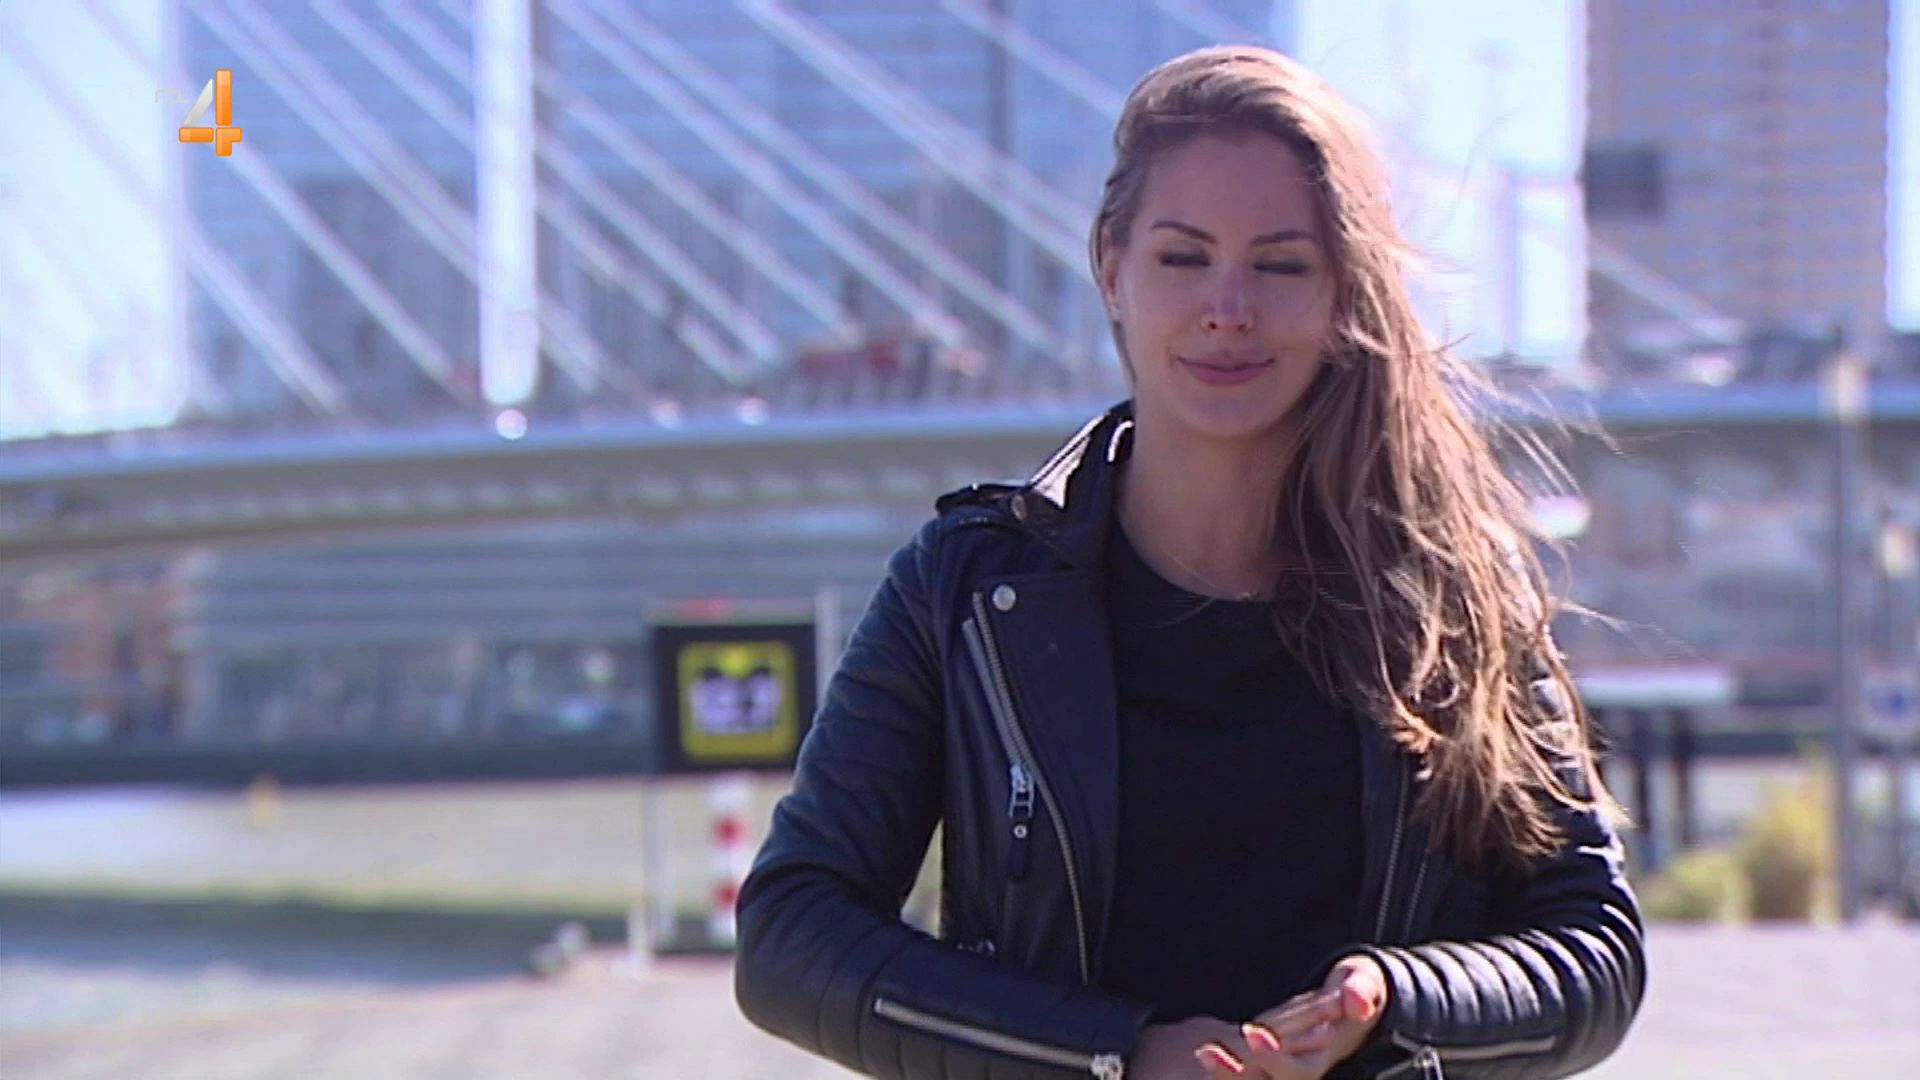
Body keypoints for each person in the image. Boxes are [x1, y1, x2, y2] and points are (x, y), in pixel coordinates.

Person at [735, 44, 1644, 1080]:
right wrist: (1111, 1056)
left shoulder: (1453, 596)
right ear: (1111, 269)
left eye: (1281, 265)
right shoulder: (971, 591)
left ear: (1346, 294)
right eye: (1183, 258)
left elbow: (1594, 952)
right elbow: (791, 937)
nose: (1228, 308)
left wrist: (1398, 1002)